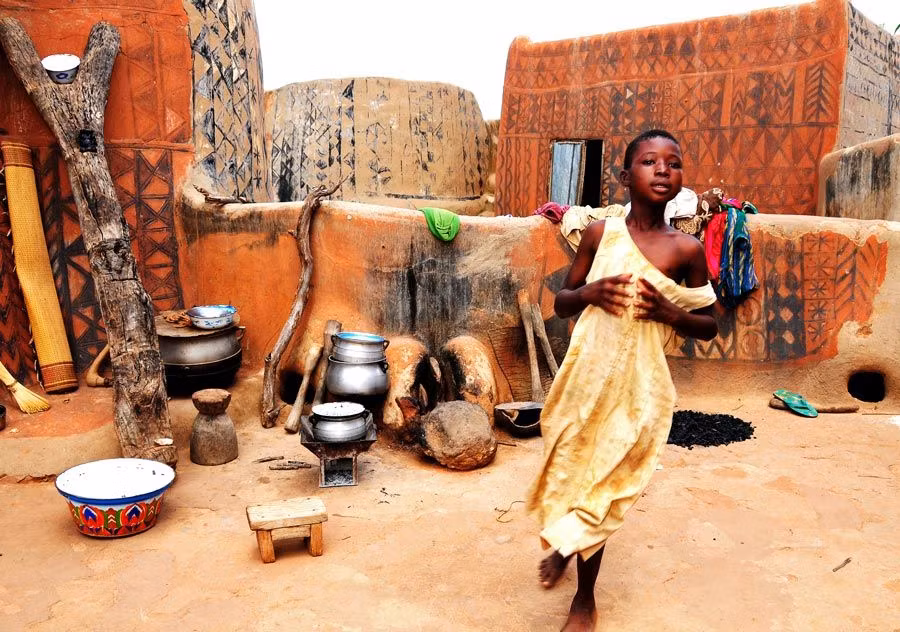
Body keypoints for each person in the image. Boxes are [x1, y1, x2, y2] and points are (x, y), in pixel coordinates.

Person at [526, 129, 719, 631]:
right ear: (623, 175)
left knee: (608, 482)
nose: (662, 170)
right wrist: (590, 292)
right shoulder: (598, 235)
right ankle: (568, 541)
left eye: (673, 163)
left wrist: (669, 311)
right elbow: (561, 304)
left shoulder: (686, 250)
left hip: (640, 386)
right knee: (571, 468)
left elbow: (710, 325)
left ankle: (583, 599)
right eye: (649, 161)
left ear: (681, 177)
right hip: (584, 378)